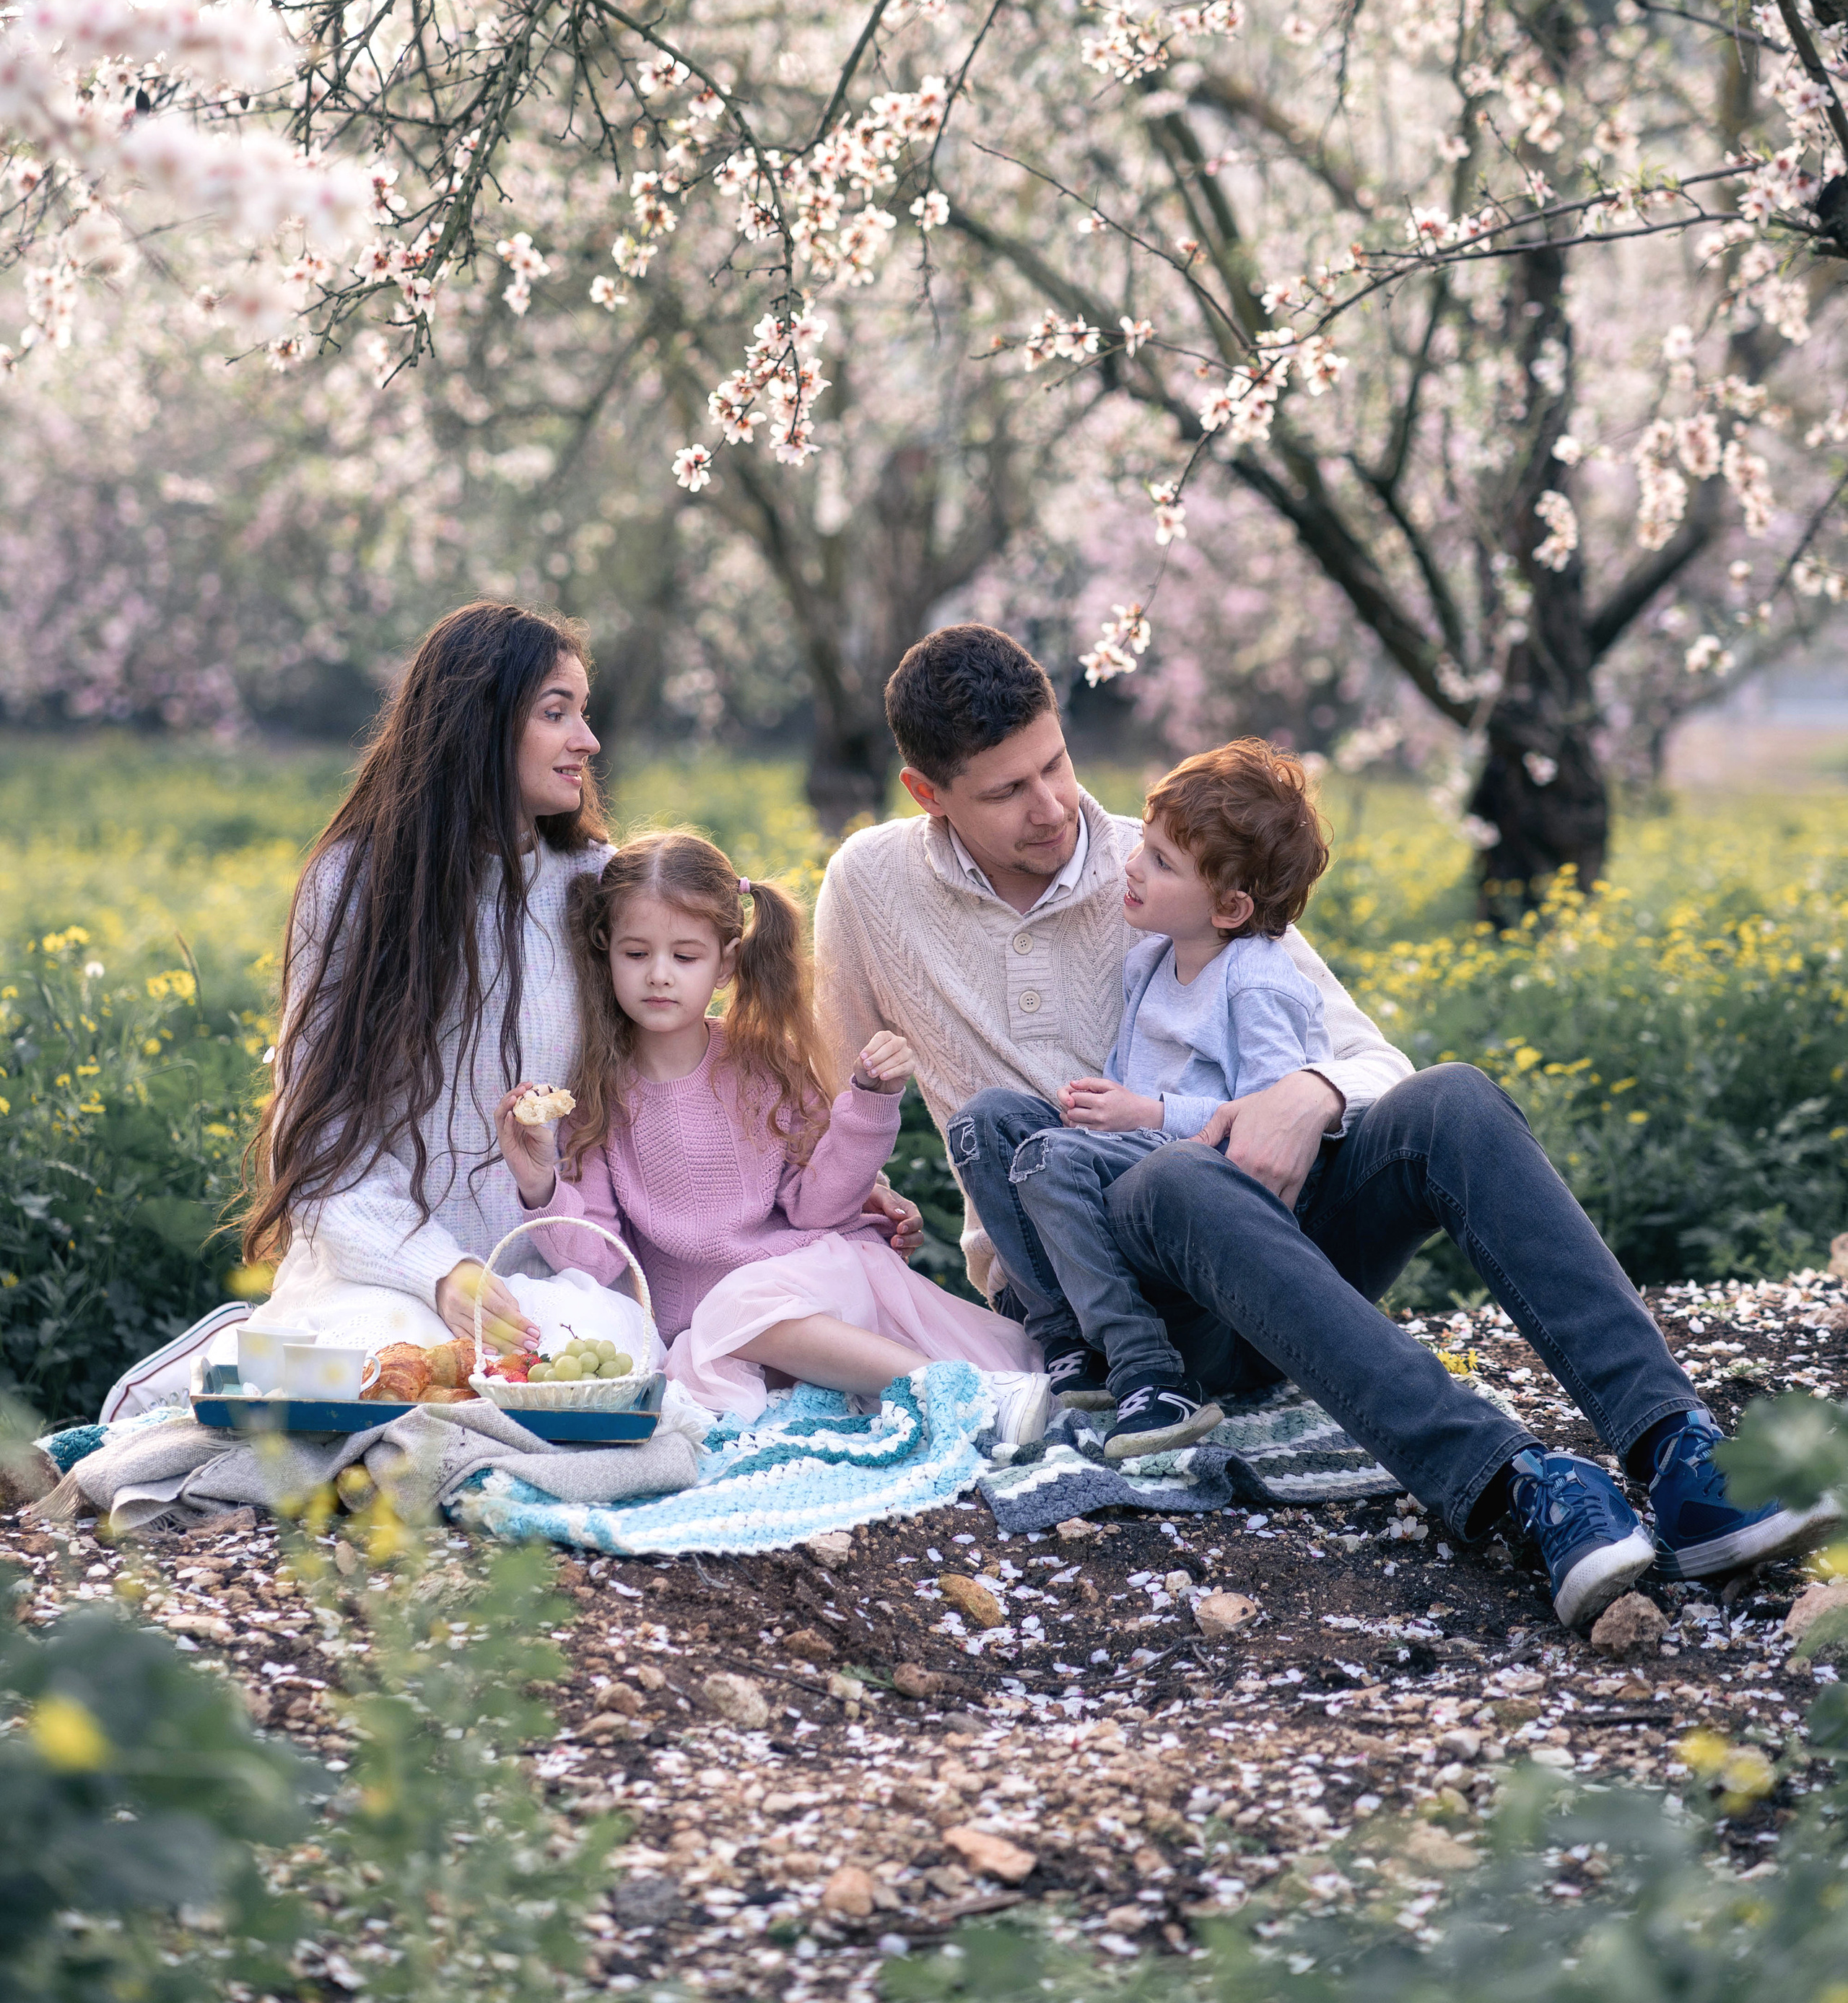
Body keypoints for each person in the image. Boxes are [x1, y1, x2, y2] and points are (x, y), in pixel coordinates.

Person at [814, 623, 1839, 1627]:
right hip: (1112, 1311)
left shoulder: (1173, 865)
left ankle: (1676, 1449)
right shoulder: (871, 886)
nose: (1053, 808)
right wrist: (857, 1200)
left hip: (1265, 1255)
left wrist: (1309, 1093)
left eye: (1057, 765)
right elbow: (822, 1088)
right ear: (928, 796)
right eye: (1006, 792)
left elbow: (1369, 1060)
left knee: (1454, 1097)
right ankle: (1517, 1488)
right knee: (1171, 1179)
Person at [238, 601, 924, 1373]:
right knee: (399, 1371)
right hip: (392, 1274)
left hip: (565, 1280)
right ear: (481, 724)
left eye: (584, 713)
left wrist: (833, 1170)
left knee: (595, 1376)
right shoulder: (353, 885)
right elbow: (323, 1150)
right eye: (556, 713)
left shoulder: (589, 885)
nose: (587, 742)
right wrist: (439, 1272)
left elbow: (691, 1071)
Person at [497, 829, 1049, 1430]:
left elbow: (818, 1208)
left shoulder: (763, 1063)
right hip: (718, 1334)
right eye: (636, 954)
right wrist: (540, 1184)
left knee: (741, 1304)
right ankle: (962, 1395)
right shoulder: (596, 1097)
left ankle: (959, 1393)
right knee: (727, 1317)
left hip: (811, 1282)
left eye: (684, 957)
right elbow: (603, 1263)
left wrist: (871, 1103)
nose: (659, 975)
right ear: (606, 952)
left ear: (726, 962)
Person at [954, 737, 1335, 1461]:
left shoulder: (1257, 981)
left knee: (1044, 1160)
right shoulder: (1149, 963)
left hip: (1193, 1182)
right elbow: (1129, 1082)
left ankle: (1148, 1372)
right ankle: (1066, 1340)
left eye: (1161, 861)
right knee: (986, 1125)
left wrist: (1147, 1115)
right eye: (1144, 843)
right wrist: (1100, 1104)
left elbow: (1264, 1121)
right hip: (1129, 1157)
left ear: (1229, 906)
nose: (1131, 863)